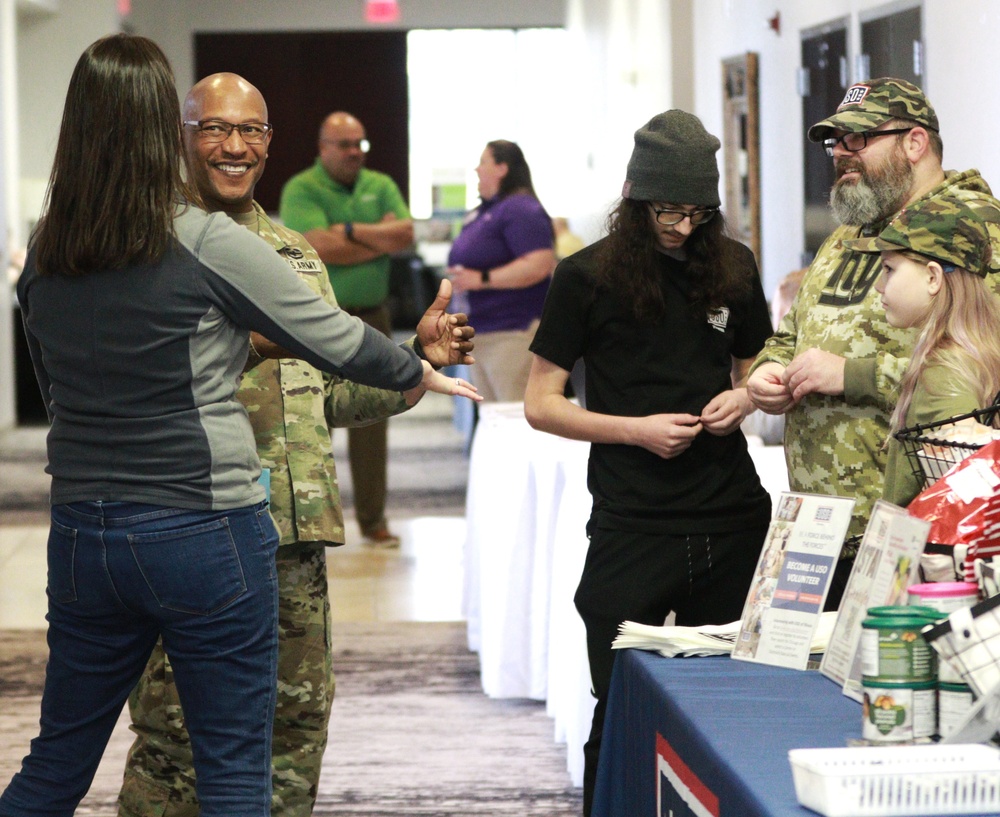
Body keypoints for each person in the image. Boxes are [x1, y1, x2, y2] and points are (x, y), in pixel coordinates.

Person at [0, 35, 479, 817]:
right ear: (170, 131)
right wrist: (414, 367)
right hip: (204, 529)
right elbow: (339, 339)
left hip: (87, 532)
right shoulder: (202, 241)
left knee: (54, 765)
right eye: (210, 128)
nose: (233, 144)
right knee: (225, 768)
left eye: (251, 130)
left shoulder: (50, 252)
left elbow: (58, 391)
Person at [523, 110, 773, 817]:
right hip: (634, 523)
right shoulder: (584, 277)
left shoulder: (733, 266)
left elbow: (757, 364)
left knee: (729, 707)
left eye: (697, 212)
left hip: (730, 519)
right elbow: (542, 401)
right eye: (666, 209)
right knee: (621, 702)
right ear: (633, 195)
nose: (680, 227)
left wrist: (744, 396)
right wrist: (632, 430)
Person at [746, 77, 1000, 588]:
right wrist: (767, 371)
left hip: (909, 531)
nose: (842, 153)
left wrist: (852, 374)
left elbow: (983, 366)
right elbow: (792, 331)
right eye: (836, 141)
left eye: (860, 139)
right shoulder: (849, 233)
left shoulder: (975, 231)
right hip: (817, 526)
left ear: (915, 142)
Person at [279, 111, 413, 548]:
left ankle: (373, 521)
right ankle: (312, 526)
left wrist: (351, 232)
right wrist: (376, 243)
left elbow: (406, 235)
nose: (355, 151)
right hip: (315, 322)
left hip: (374, 318)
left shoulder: (380, 184)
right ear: (323, 148)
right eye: (344, 144)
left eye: (360, 143)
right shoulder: (302, 188)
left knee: (374, 422)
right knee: (311, 422)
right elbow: (316, 246)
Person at [844, 192, 1000, 508]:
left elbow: (963, 504)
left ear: (932, 277)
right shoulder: (972, 357)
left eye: (889, 269)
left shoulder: (945, 372)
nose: (878, 285)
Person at [447, 140, 557, 402]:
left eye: (483, 162)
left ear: (502, 168)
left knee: (514, 413)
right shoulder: (487, 211)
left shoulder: (520, 209)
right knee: (493, 417)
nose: (476, 169)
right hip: (483, 331)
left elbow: (538, 264)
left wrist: (483, 279)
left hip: (511, 331)